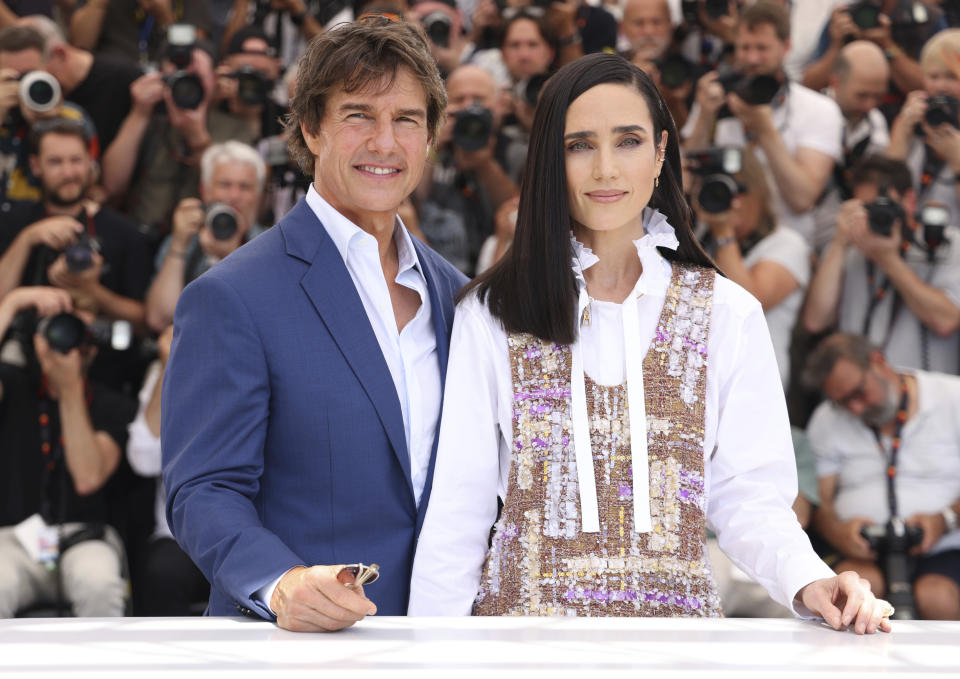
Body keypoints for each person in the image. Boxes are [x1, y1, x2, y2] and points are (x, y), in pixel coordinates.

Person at [409, 52, 891, 634]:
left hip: (679, 648)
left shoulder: (726, 312)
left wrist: (810, 578)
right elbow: (458, 513)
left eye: (629, 141)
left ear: (662, 152)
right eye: (580, 144)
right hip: (524, 647)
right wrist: (428, 653)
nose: (606, 169)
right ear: (549, 160)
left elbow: (750, 498)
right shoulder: (494, 313)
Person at [161, 15, 467, 632]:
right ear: (311, 128)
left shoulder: (459, 297)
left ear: (429, 137)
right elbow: (204, 490)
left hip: (440, 642)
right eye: (359, 115)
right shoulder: (231, 296)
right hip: (296, 650)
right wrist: (281, 583)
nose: (384, 141)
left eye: (406, 119)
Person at [804, 333, 960, 620]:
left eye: (858, 393)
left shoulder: (952, 397)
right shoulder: (827, 419)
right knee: (851, 595)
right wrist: (839, 533)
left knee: (936, 596)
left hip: (946, 547)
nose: (856, 409)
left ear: (879, 362)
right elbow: (818, 503)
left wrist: (946, 519)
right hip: (864, 554)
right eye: (843, 402)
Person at [0, 285, 134, 618]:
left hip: (84, 538)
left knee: (99, 583)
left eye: (75, 327)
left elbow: (88, 478)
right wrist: (13, 302)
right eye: (58, 325)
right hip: (13, 539)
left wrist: (70, 386)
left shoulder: (111, 405)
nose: (65, 336)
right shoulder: (14, 386)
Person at [682, 1, 843, 245]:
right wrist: (705, 116)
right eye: (745, 48)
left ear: (786, 46)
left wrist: (764, 129)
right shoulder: (715, 97)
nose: (753, 58)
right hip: (721, 241)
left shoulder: (819, 109)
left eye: (762, 48)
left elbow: (802, 199)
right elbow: (684, 180)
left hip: (786, 242)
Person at [802, 155, 960, 374]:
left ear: (910, 201)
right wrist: (838, 243)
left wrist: (888, 259)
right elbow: (815, 321)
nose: (878, 216)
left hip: (924, 399)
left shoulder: (947, 244)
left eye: (884, 206)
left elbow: (946, 321)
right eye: (868, 209)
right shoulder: (851, 244)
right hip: (858, 395)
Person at [694, 147, 811, 388]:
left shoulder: (787, 243)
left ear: (756, 193)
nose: (728, 201)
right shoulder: (695, 239)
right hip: (703, 381)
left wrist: (723, 232)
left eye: (731, 190)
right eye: (714, 189)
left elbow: (748, 302)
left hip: (756, 383)